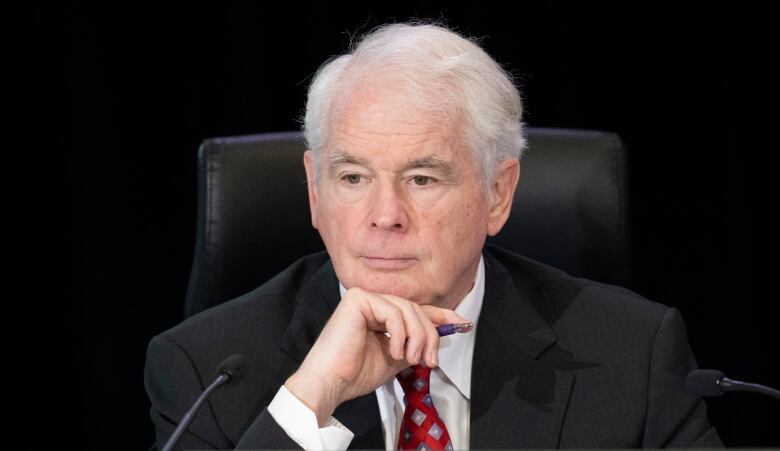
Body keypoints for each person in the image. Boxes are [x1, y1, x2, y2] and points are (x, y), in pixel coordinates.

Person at [145, 22, 721, 449]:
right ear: (314, 194)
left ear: (497, 193)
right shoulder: (206, 372)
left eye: (422, 178)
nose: (385, 214)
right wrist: (308, 404)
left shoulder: (631, 355)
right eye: (352, 177)